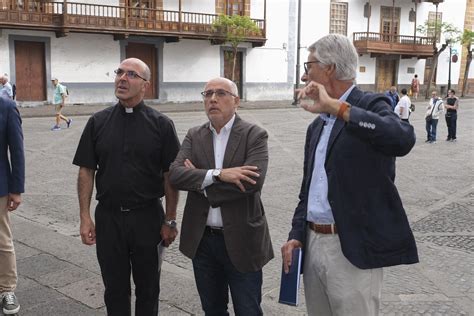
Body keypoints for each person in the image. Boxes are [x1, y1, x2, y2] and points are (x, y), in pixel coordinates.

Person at [280, 34, 418, 316]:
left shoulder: (369, 103)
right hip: (313, 243)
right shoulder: (316, 127)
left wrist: (337, 107)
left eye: (309, 66)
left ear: (329, 68)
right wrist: (297, 234)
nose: (305, 75)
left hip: (352, 247)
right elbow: (309, 189)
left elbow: (402, 138)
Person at [72, 58, 180, 316]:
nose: (122, 78)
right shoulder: (98, 122)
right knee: (114, 288)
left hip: (148, 219)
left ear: (145, 85)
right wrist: (85, 216)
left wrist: (171, 219)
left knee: (149, 288)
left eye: (131, 74)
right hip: (108, 218)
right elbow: (86, 170)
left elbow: (171, 177)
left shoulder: (162, 125)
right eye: (119, 72)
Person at [169, 77, 274, 315]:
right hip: (203, 241)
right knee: (212, 309)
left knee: (248, 309)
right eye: (207, 94)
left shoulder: (254, 135)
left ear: (236, 101)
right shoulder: (195, 135)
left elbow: (252, 182)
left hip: (242, 239)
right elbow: (175, 175)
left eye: (220, 93)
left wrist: (200, 181)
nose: (212, 99)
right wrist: (219, 175)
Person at [0, 97, 25, 315]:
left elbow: (16, 149)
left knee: (2, 239)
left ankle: (7, 289)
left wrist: (16, 188)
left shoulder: (6, 107)